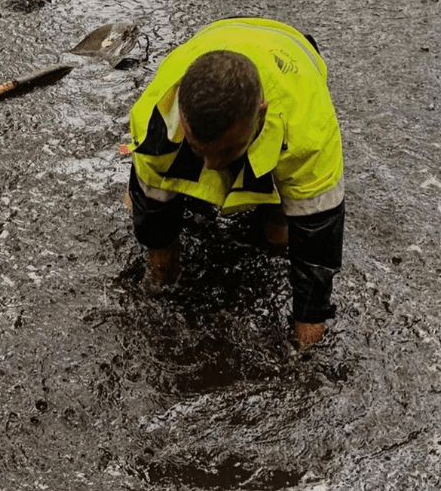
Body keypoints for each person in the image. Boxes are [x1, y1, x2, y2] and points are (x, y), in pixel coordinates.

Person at [126, 17, 345, 351]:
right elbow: (154, 219)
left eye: (224, 152)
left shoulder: (308, 130)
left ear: (260, 114)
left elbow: (317, 239)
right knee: (162, 196)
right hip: (211, 40)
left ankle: (265, 204)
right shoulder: (155, 118)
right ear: (182, 118)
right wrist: (158, 289)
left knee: (278, 234)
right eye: (202, 153)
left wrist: (306, 351)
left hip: (291, 58)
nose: (211, 166)